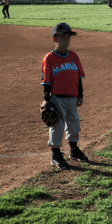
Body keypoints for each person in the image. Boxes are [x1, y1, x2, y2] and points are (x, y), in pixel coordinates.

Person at [41, 23, 89, 170]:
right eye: (63, 36)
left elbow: (78, 77)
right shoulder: (49, 58)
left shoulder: (74, 56)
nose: (67, 39)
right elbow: (46, 81)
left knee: (74, 123)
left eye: (68, 36)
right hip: (57, 98)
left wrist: (80, 95)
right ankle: (56, 155)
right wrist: (47, 99)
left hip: (72, 97)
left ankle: (73, 149)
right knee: (57, 125)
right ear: (55, 38)